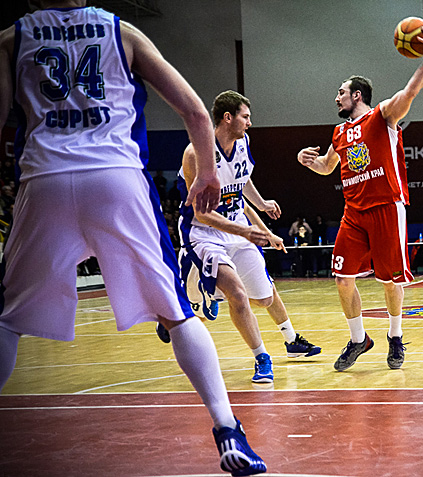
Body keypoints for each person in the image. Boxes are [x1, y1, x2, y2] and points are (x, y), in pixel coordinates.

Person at [0, 2, 267, 475]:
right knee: (177, 314)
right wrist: (208, 173)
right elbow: (194, 110)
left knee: (7, 319)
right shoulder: (121, 32)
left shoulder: (10, 39)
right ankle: (228, 430)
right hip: (116, 179)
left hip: (43, 180)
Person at [297, 23, 423, 371]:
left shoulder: (382, 116)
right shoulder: (339, 132)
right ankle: (359, 338)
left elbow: (409, 93)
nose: (337, 98)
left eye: (341, 93)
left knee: (390, 280)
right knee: (342, 278)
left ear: (357, 96)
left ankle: (395, 335)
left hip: (386, 207)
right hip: (354, 212)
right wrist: (308, 162)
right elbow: (327, 167)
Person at [156, 91, 321, 383]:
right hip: (204, 234)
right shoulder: (196, 154)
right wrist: (247, 231)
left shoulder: (243, 143)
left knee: (264, 298)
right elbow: (202, 214)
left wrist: (262, 207)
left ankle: (189, 304)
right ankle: (262, 358)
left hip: (237, 229)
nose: (250, 122)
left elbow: (241, 184)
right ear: (227, 117)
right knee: (237, 294)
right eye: (245, 116)